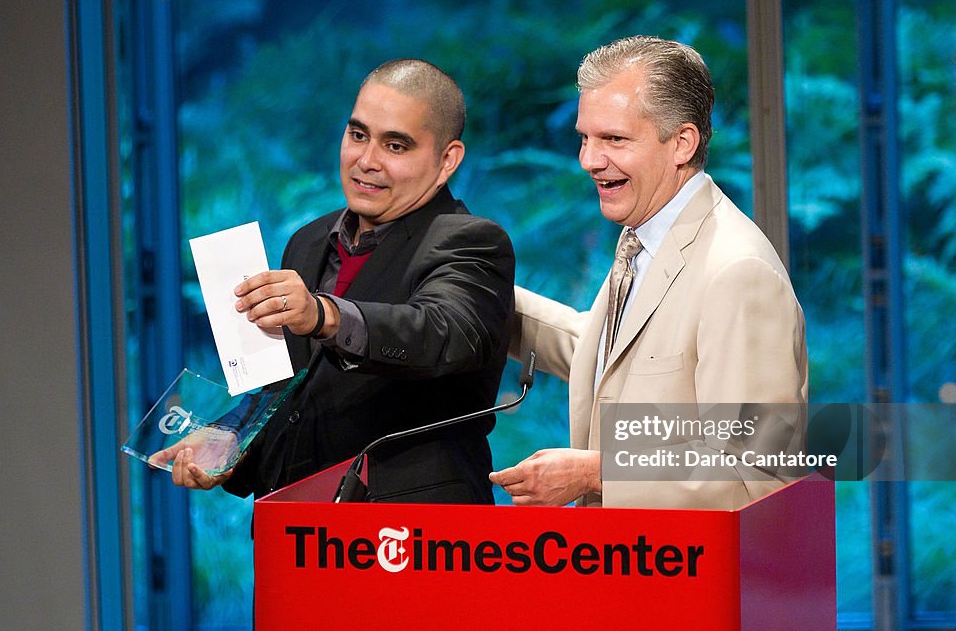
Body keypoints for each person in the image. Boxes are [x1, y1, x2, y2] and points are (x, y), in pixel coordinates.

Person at [153, 59, 514, 504]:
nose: (366, 161)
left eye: (395, 146)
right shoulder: (307, 241)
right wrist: (231, 440)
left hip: (410, 540)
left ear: (447, 160)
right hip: (296, 535)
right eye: (358, 135)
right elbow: (290, 392)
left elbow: (440, 332)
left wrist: (323, 315)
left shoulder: (471, 241)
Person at [490, 36, 808, 510]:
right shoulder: (648, 232)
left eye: (614, 139)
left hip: (685, 577)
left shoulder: (738, 272)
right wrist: (478, 292)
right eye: (585, 137)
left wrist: (595, 473)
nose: (589, 160)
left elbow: (759, 469)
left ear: (682, 143)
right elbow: (612, 358)